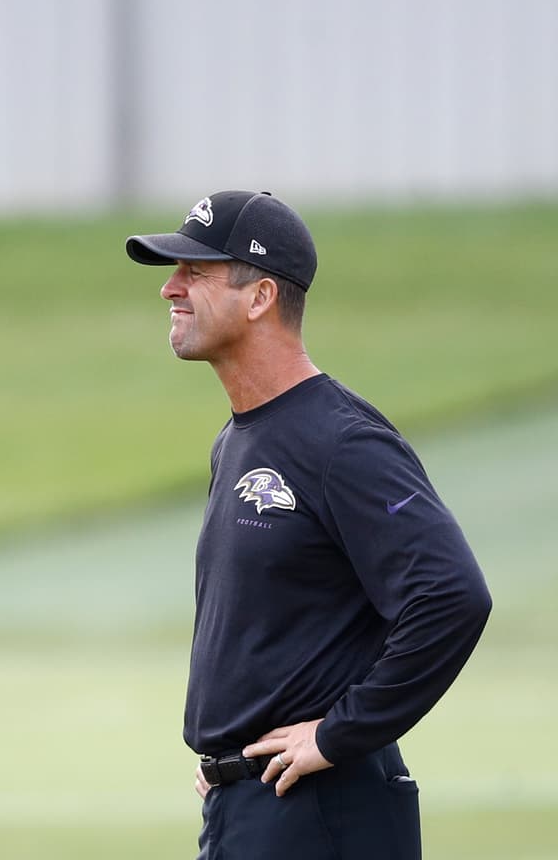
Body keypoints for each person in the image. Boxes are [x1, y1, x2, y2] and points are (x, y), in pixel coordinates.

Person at [125, 190, 492, 859]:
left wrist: (338, 735)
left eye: (195, 274)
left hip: (322, 810)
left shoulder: (339, 441)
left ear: (260, 297)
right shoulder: (240, 439)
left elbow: (451, 594)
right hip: (254, 806)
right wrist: (225, 755)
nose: (169, 290)